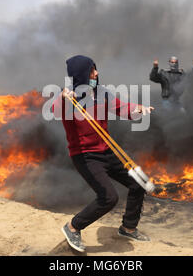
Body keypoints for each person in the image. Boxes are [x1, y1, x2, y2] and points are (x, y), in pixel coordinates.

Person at [52, 55, 154, 253]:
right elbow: (57, 110)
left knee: (138, 183)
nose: (96, 73)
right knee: (108, 197)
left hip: (107, 150)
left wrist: (138, 109)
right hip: (86, 156)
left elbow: (122, 107)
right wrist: (63, 97)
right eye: (92, 70)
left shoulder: (101, 93)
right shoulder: (69, 99)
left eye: (95, 69)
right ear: (82, 74)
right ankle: (73, 227)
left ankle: (128, 227)